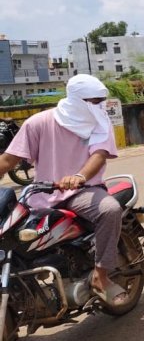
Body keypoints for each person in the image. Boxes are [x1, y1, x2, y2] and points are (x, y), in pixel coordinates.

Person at [0, 74, 127, 306]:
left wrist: (80, 176)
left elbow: (99, 155)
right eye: (95, 101)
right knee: (13, 239)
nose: (100, 106)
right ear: (77, 99)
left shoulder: (100, 122)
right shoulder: (38, 122)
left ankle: (101, 275)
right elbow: (9, 160)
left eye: (102, 100)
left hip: (83, 191)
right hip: (41, 195)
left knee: (109, 209)